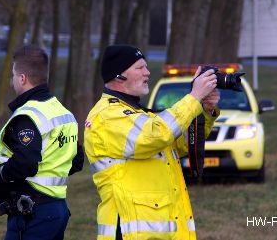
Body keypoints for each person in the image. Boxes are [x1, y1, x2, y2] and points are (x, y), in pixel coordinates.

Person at [84, 44, 220, 240]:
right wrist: (194, 97)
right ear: (118, 75)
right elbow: (157, 135)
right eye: (140, 67)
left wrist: (205, 111)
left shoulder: (138, 114)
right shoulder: (107, 116)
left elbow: (180, 144)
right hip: (131, 234)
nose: (147, 73)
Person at [0, 45, 82, 240]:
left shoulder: (29, 116)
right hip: (58, 208)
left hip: (33, 211)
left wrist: (3, 173)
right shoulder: (63, 112)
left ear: (22, 78)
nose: (11, 81)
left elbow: (25, 162)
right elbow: (76, 160)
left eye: (13, 75)